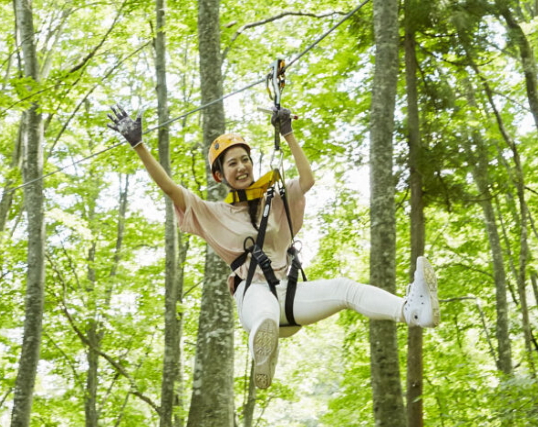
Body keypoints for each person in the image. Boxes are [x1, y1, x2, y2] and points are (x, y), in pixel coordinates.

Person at [107, 105, 439, 389]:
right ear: (220, 175)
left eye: (244, 160)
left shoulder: (274, 201)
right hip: (253, 295)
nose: (241, 167)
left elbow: (306, 181)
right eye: (232, 164)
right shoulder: (213, 214)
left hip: (289, 294)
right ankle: (262, 356)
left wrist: (288, 134)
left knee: (344, 288)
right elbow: (170, 188)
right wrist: (139, 145)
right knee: (264, 309)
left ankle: (412, 310)